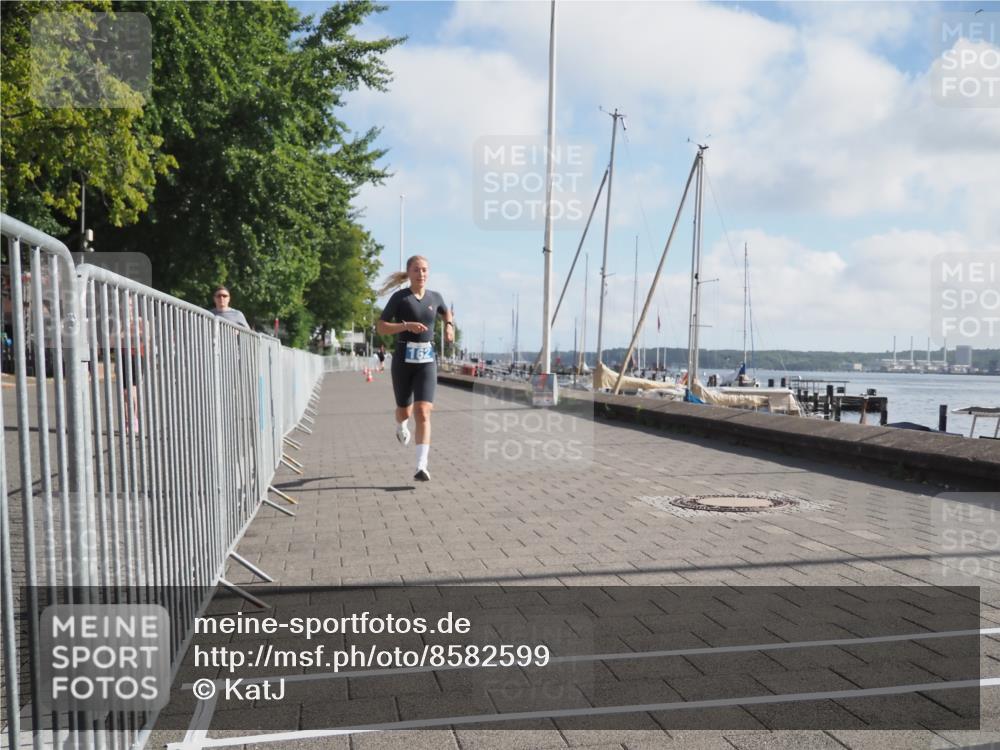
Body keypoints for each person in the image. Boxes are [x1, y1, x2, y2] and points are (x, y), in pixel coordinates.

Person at [375, 255, 453, 482]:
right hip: (403, 360)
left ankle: (421, 465)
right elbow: (381, 326)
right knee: (405, 411)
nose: (421, 274)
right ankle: (401, 425)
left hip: (427, 360)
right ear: (409, 273)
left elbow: (446, 311)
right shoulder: (400, 298)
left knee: (423, 411)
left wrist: (448, 326)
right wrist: (405, 326)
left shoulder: (435, 297)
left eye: (425, 270)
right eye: (417, 270)